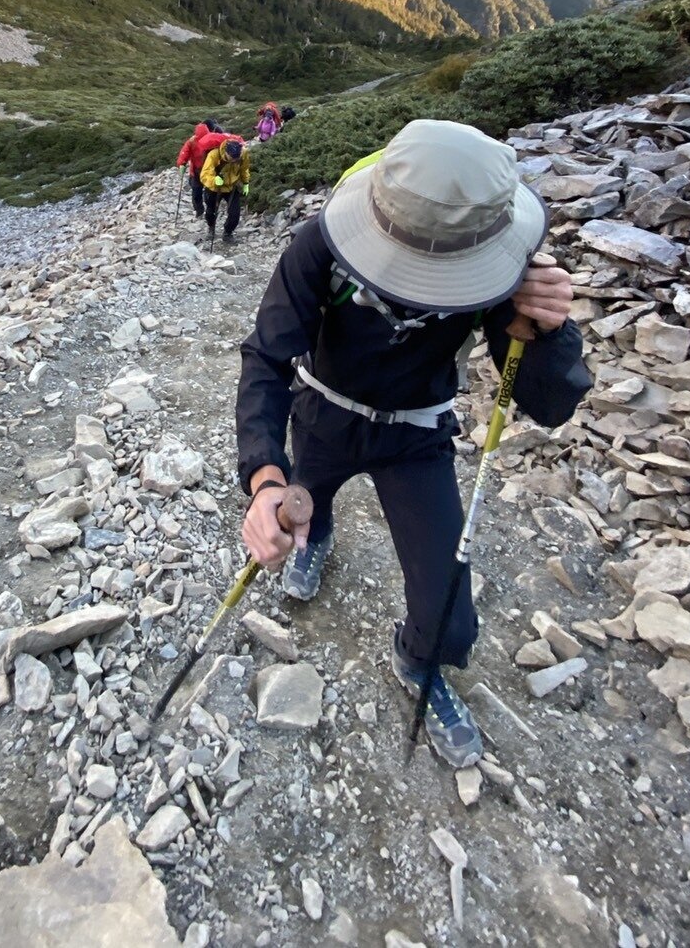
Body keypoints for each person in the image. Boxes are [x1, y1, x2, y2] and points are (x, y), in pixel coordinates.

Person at [235, 119, 591, 768]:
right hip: (324, 415)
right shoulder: (317, 245)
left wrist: (547, 332)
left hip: (417, 435)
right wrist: (263, 479)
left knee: (452, 616)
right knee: (305, 505)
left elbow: (548, 404)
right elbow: (267, 356)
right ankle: (319, 536)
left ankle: (419, 658)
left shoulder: (497, 257)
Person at [200, 136, 251, 242]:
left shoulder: (243, 154)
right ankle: (211, 228)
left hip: (231, 187)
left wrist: (246, 182)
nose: (234, 160)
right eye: (232, 157)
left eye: (236, 158)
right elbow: (204, 174)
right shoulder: (214, 155)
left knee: (235, 213)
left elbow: (244, 168)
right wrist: (214, 180)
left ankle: (228, 232)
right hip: (214, 188)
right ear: (226, 152)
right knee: (211, 212)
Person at [177, 119, 225, 218]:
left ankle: (209, 210)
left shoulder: (212, 140)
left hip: (208, 170)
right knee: (196, 192)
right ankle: (199, 210)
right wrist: (182, 163)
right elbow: (185, 152)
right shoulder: (192, 141)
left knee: (207, 192)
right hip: (196, 171)